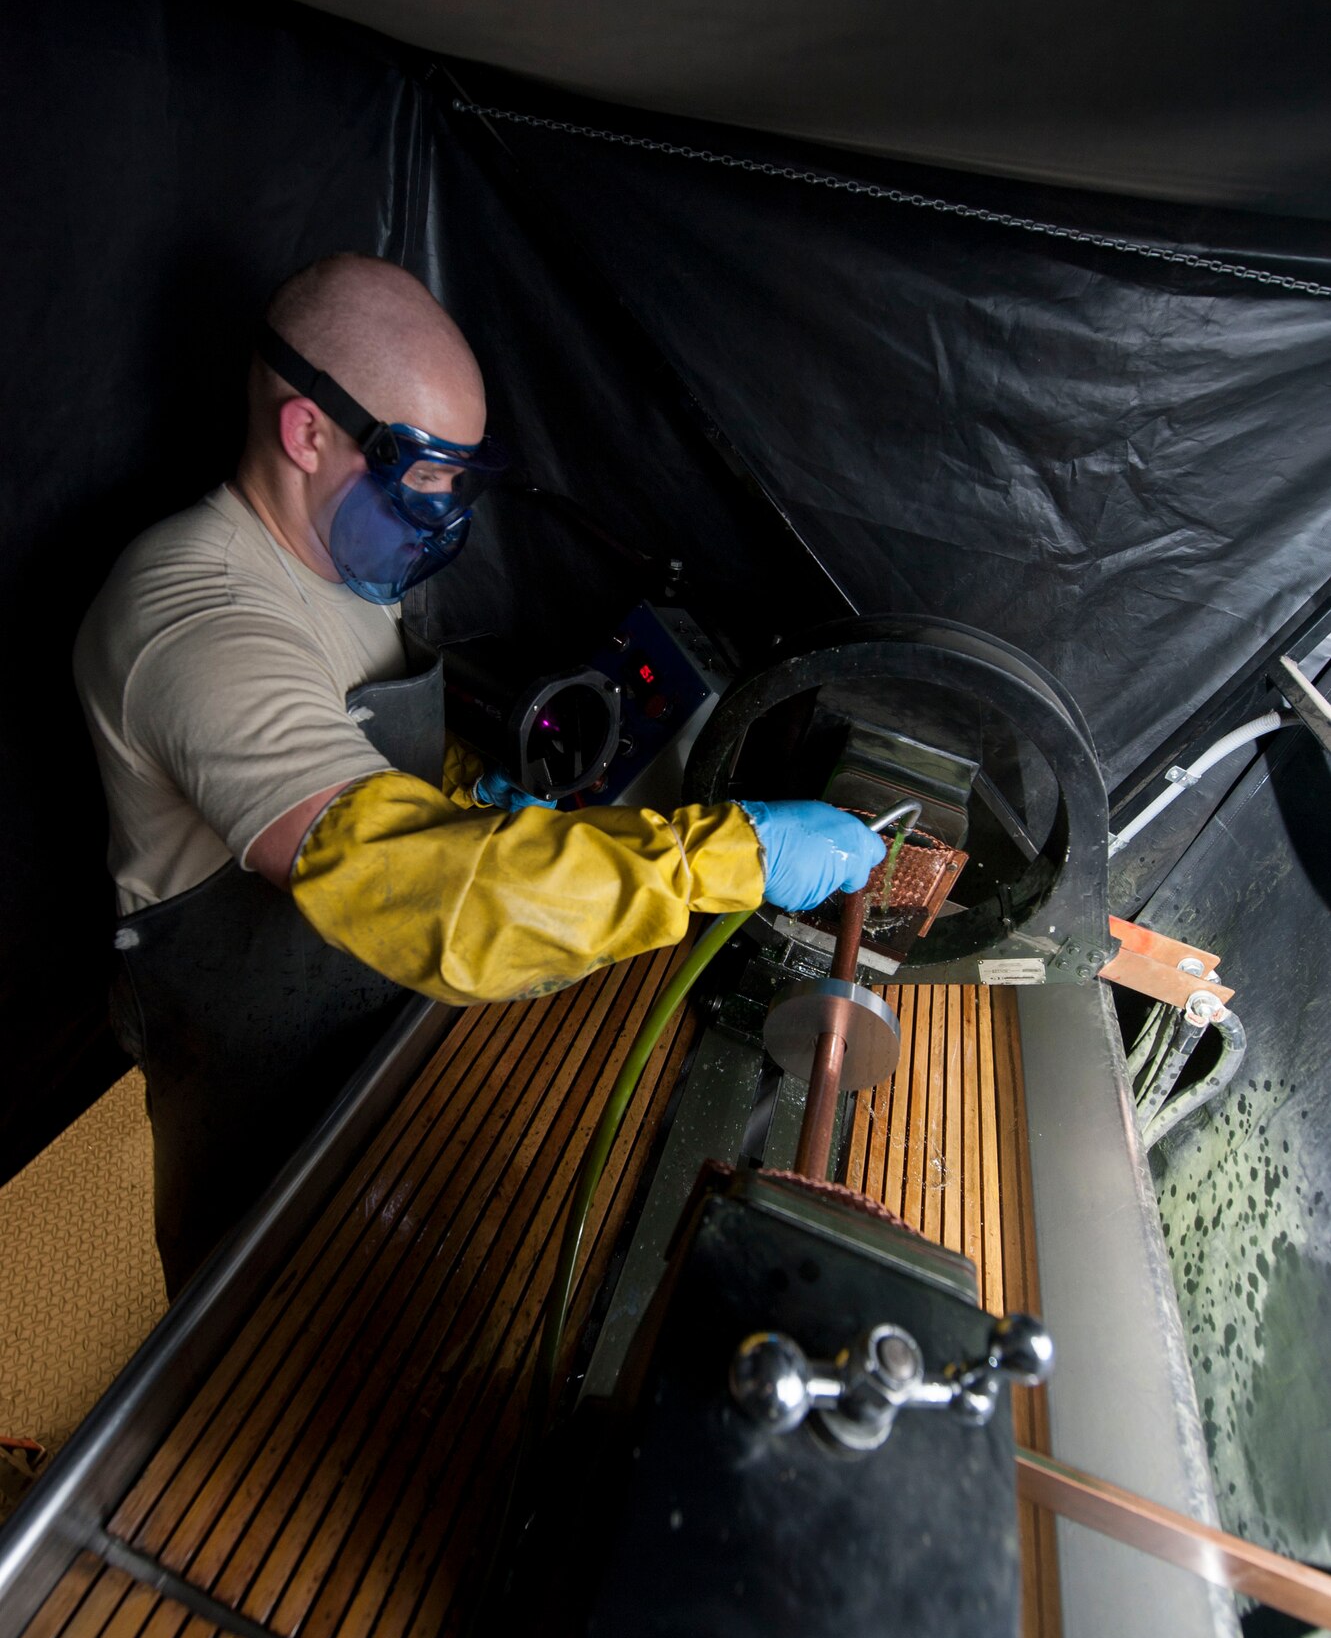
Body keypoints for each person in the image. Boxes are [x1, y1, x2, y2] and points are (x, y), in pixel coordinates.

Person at [74, 254, 883, 1295]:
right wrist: (724, 856)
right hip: (253, 1064)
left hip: (369, 1013)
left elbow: (361, 761)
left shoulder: (329, 559)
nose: (446, 507)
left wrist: (466, 803)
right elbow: (409, 885)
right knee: (251, 1308)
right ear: (306, 430)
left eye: (461, 476)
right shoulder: (195, 620)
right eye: (424, 473)